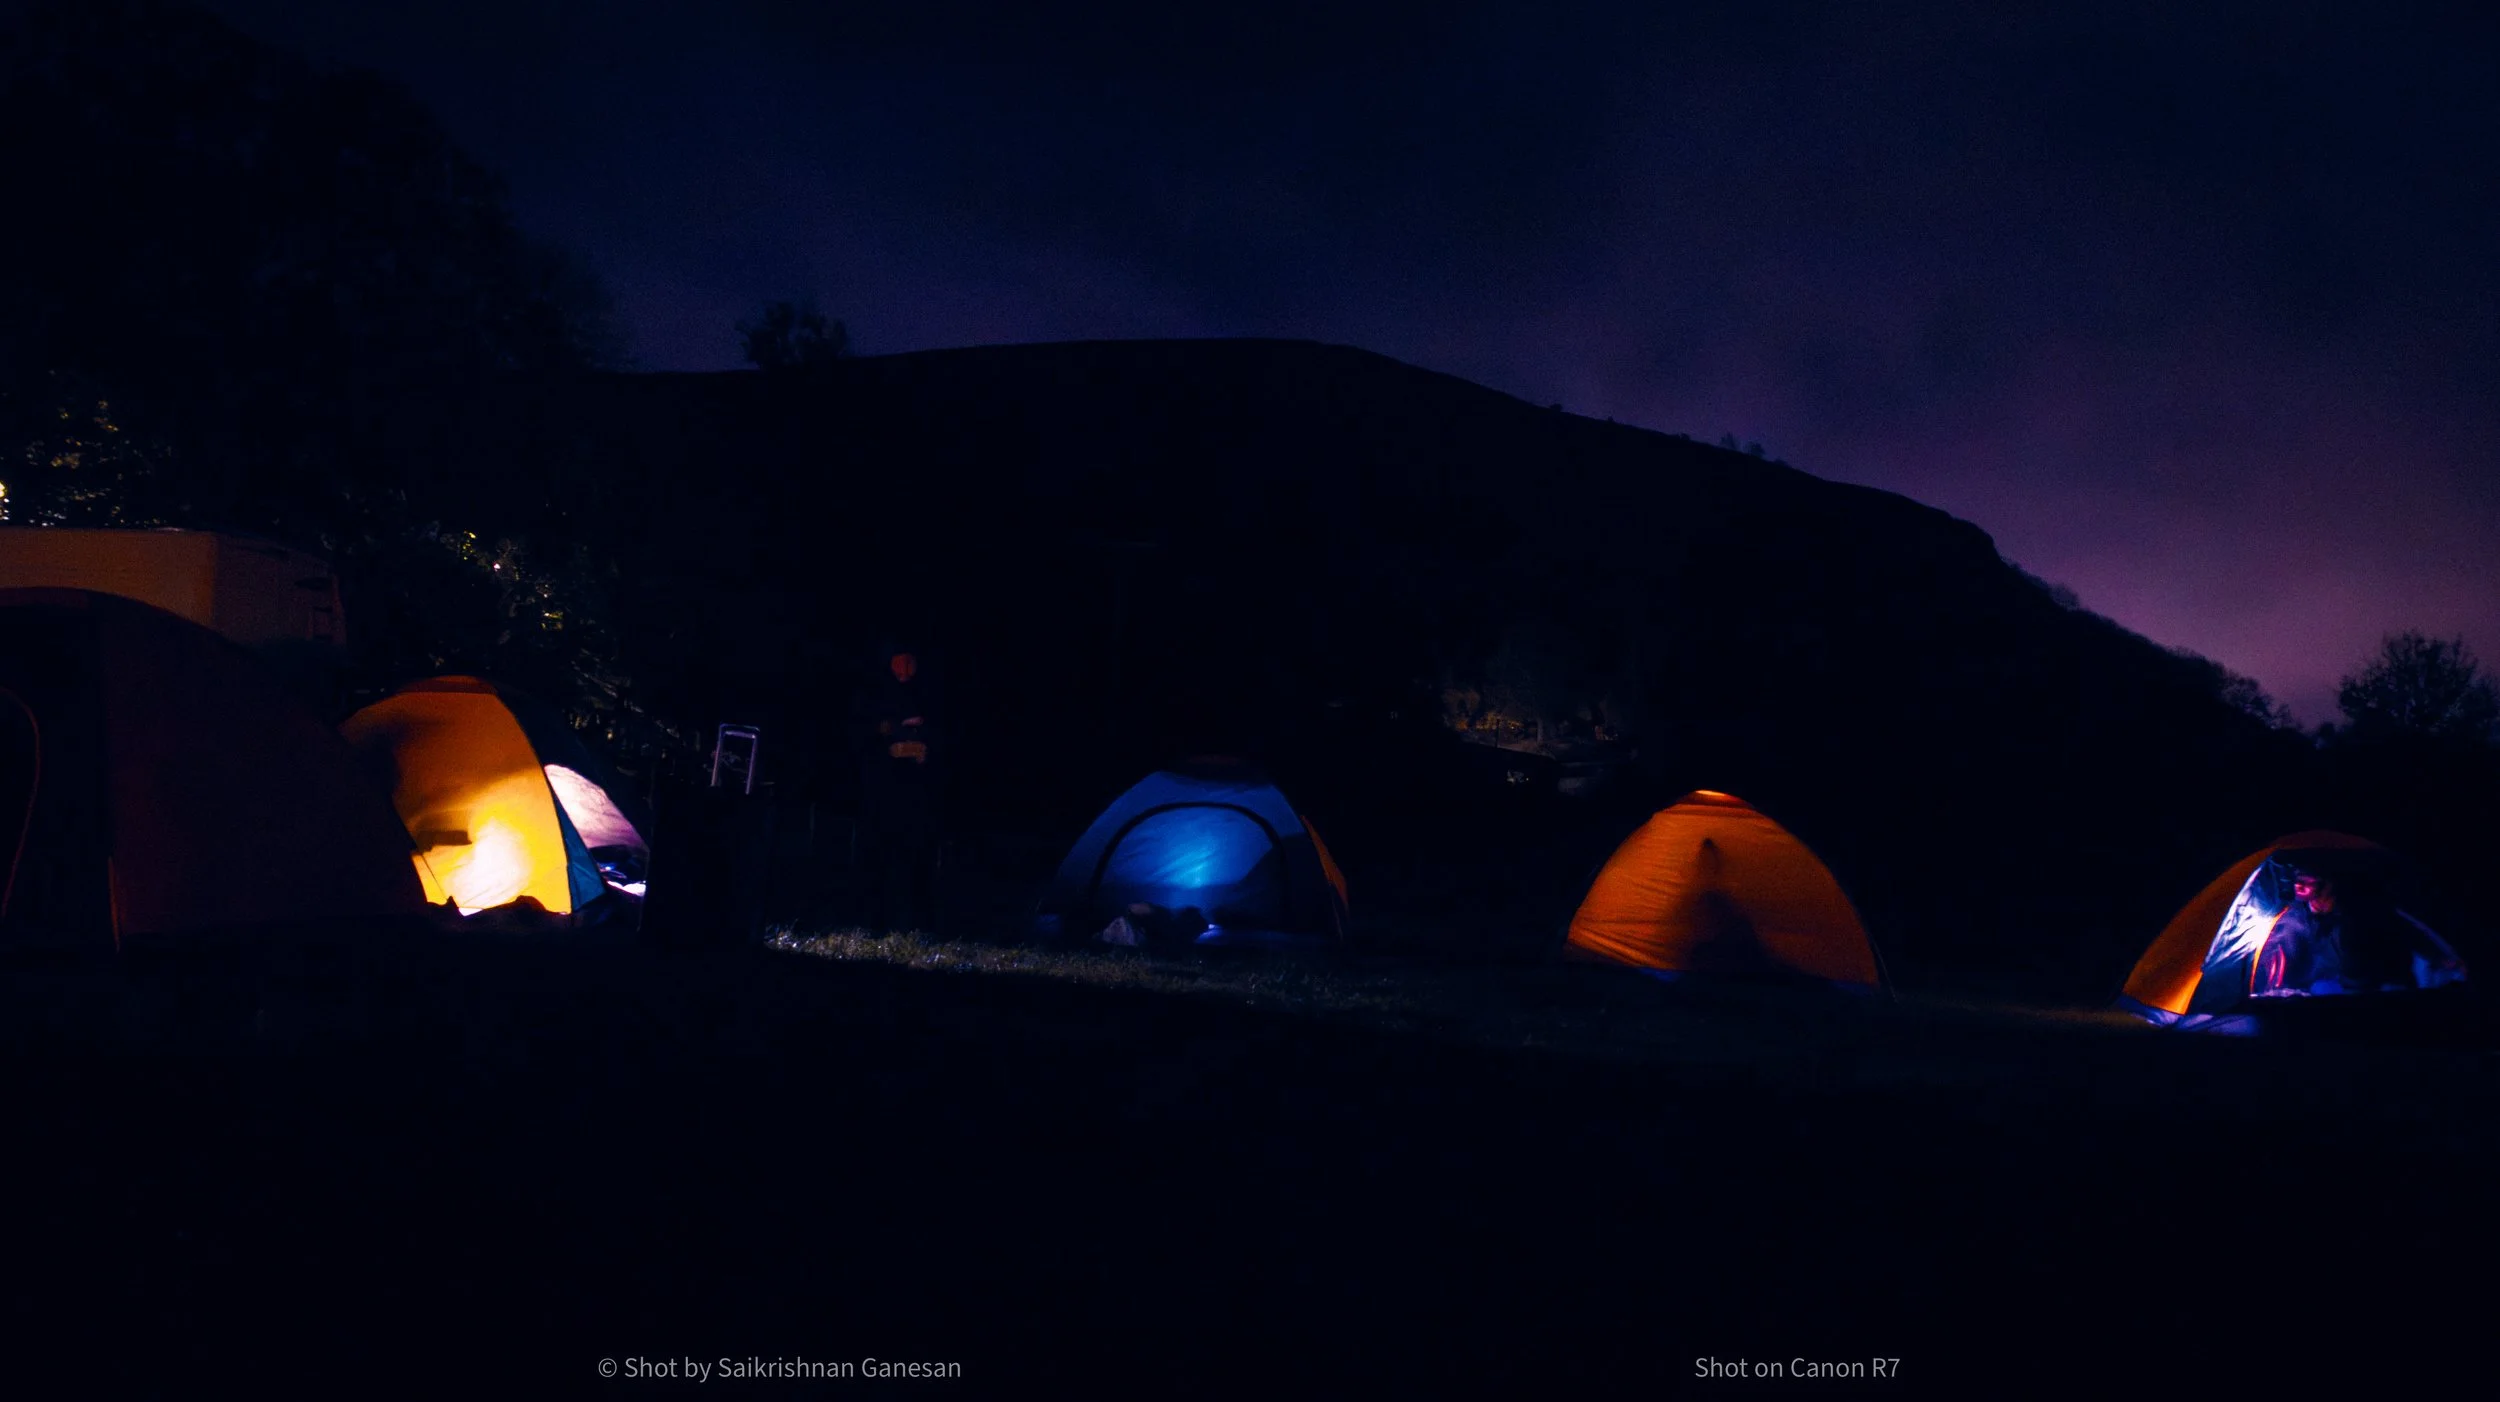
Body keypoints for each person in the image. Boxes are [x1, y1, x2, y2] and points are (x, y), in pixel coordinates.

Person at [854, 645, 943, 935]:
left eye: (909, 664)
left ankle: (919, 924)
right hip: (883, 787)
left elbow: (942, 729)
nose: (904, 670)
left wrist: (925, 744)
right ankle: (875, 922)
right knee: (878, 855)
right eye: (898, 664)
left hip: (917, 791)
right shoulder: (875, 693)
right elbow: (865, 729)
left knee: (918, 856)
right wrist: (892, 732)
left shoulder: (928, 692)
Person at [2251, 870, 2349, 996]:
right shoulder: (2291, 925)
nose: (2299, 886)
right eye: (2298, 881)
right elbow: (2274, 987)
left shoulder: (2348, 921)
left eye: (2310, 882)